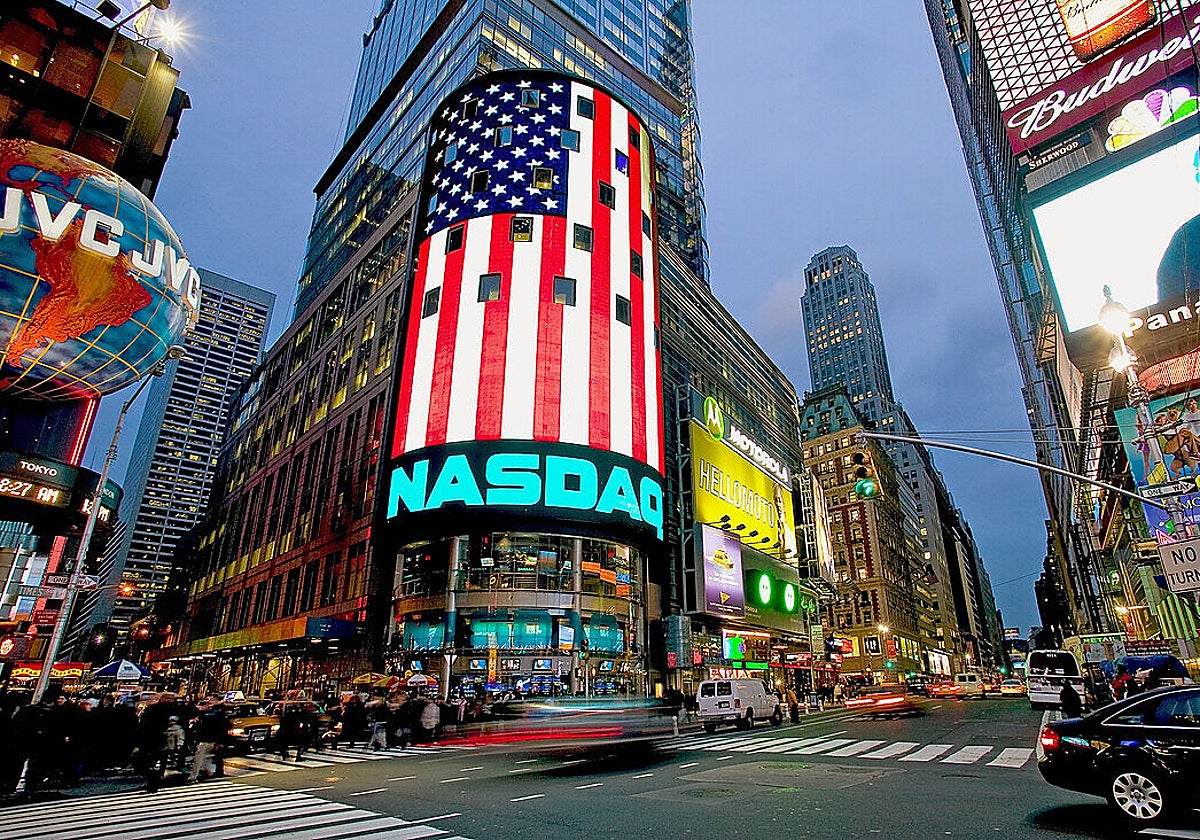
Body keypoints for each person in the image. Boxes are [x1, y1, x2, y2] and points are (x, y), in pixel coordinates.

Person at [188, 700, 228, 782]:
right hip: (209, 739)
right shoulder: (208, 715)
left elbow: (219, 729)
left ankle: (193, 777)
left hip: (207, 740)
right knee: (206, 758)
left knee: (199, 759)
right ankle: (210, 772)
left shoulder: (210, 716)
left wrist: (219, 742)